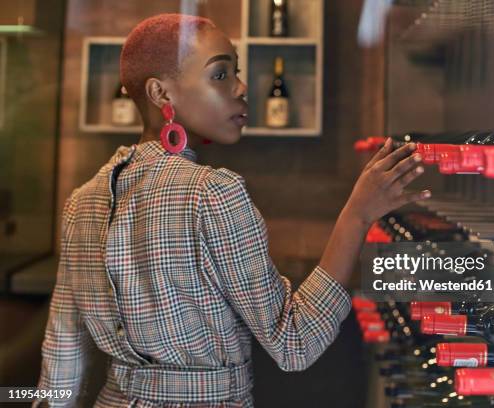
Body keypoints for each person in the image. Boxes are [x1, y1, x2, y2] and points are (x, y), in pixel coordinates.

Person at [34, 13, 428, 408]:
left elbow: (62, 358)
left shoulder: (81, 202)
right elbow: (295, 344)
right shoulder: (213, 194)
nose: (242, 87)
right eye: (220, 75)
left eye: (235, 73)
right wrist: (358, 214)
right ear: (161, 94)